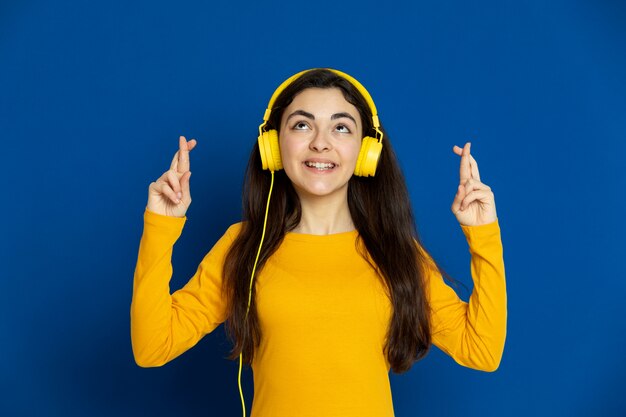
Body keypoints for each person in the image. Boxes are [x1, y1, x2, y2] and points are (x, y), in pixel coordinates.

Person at [131, 68, 507, 417]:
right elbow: (152, 346)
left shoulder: (396, 252)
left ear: (366, 151)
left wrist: (484, 234)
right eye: (301, 125)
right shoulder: (245, 245)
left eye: (341, 128)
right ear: (274, 145)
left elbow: (481, 349)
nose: (321, 144)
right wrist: (162, 224)